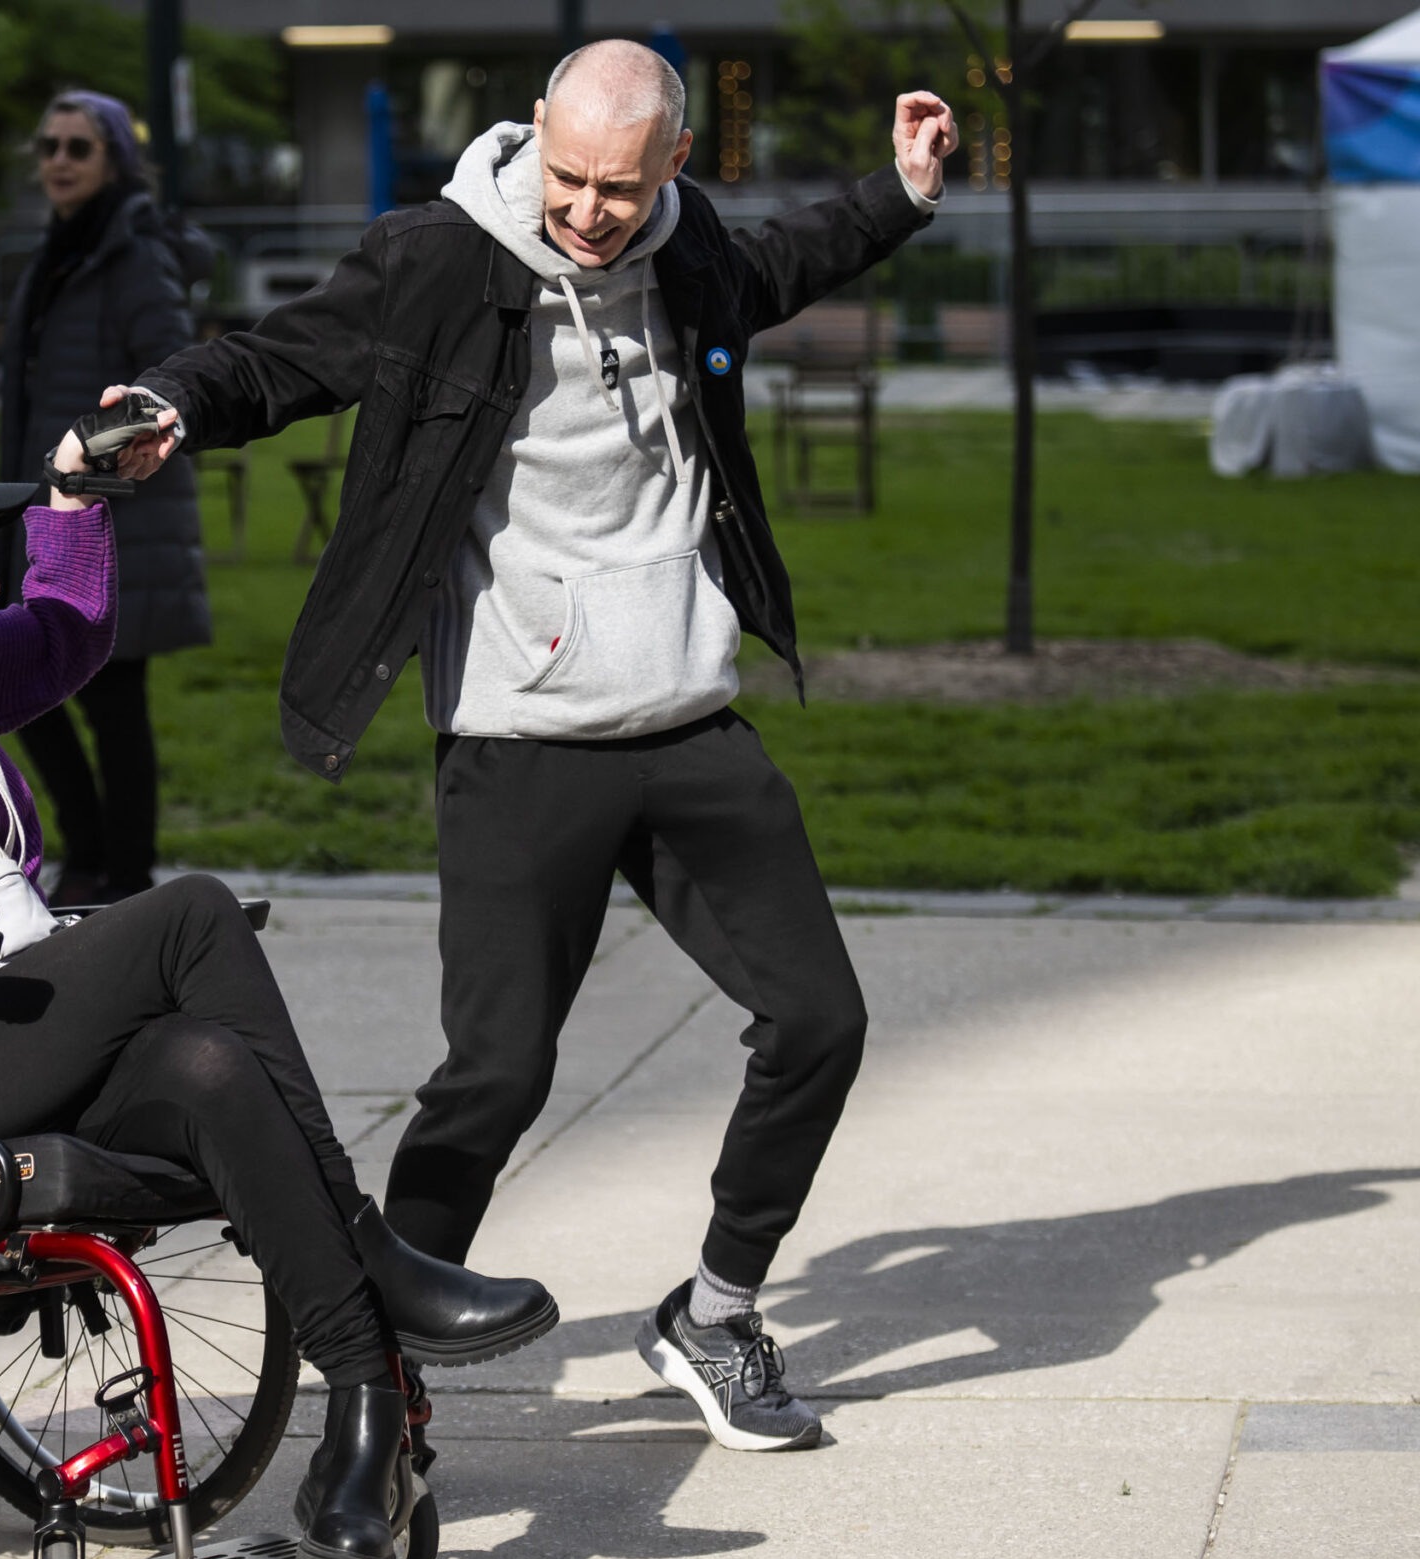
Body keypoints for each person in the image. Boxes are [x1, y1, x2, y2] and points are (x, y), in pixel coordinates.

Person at [107, 43, 960, 1452]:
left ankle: (718, 1309)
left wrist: (905, 191)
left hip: (688, 718)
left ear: (672, 164)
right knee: (495, 1075)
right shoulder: (442, 258)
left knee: (821, 1021)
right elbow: (284, 355)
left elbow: (781, 264)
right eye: (567, 175)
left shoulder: (686, 255)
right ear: (537, 143)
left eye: (620, 186)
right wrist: (175, 403)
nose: (587, 209)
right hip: (520, 738)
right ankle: (374, 1400)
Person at [0, 427, 558, 1559]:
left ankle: (368, 1415)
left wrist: (76, 496)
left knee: (203, 1066)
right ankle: (369, 1249)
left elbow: (75, 635)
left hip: (4, 1025)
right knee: (190, 914)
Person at [0, 91, 214, 906]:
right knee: (27, 679)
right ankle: (89, 852)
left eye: (78, 147)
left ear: (114, 160)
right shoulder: (60, 252)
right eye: (49, 145)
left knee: (114, 705)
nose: (58, 159)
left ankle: (123, 878)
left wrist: (93, 470)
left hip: (121, 514)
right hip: (50, 503)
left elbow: (169, 376)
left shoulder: (131, 255)